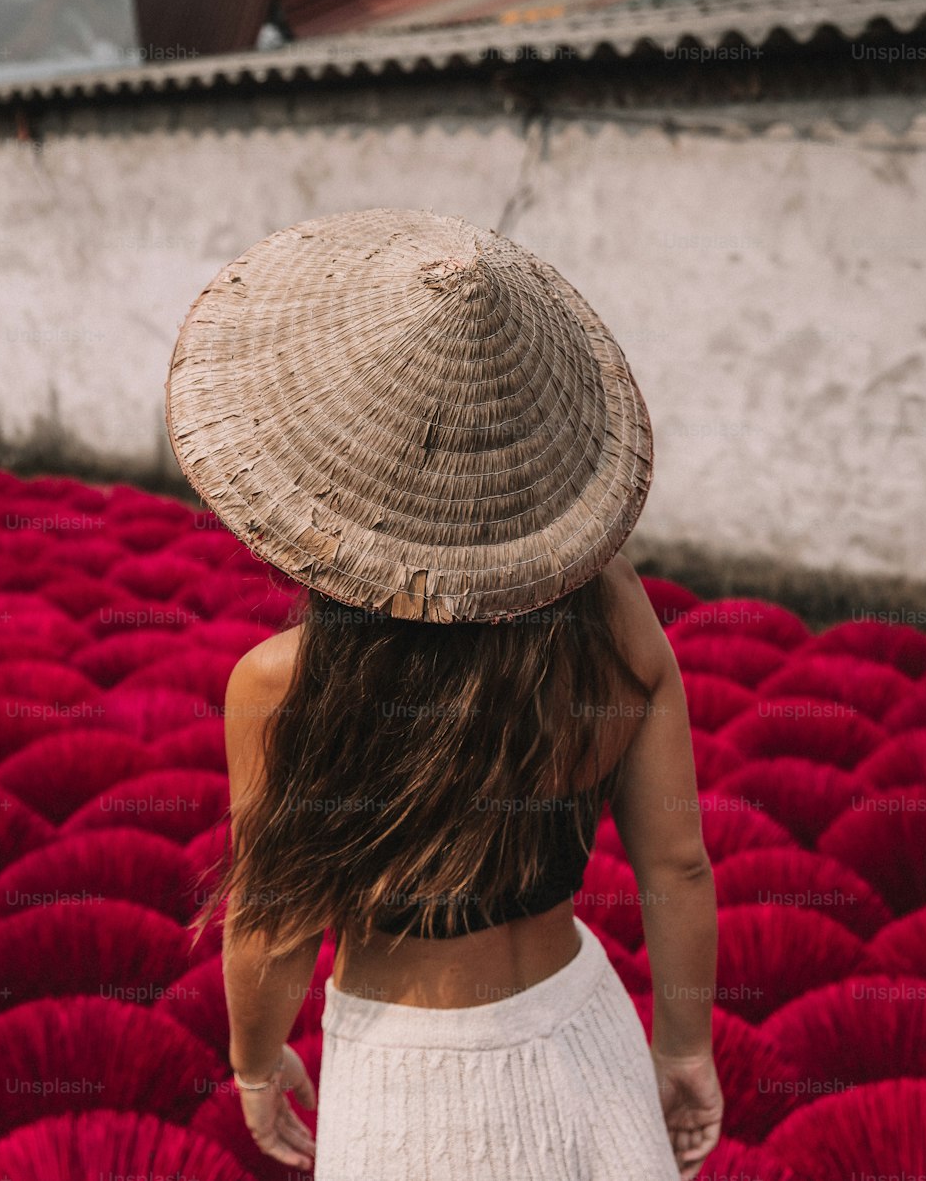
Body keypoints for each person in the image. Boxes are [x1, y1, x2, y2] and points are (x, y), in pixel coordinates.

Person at [166, 208, 723, 1181]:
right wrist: (682, 1049)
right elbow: (677, 866)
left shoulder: (279, 684)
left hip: (409, 1080)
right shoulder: (621, 618)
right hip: (588, 1038)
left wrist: (255, 1062)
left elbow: (273, 917)